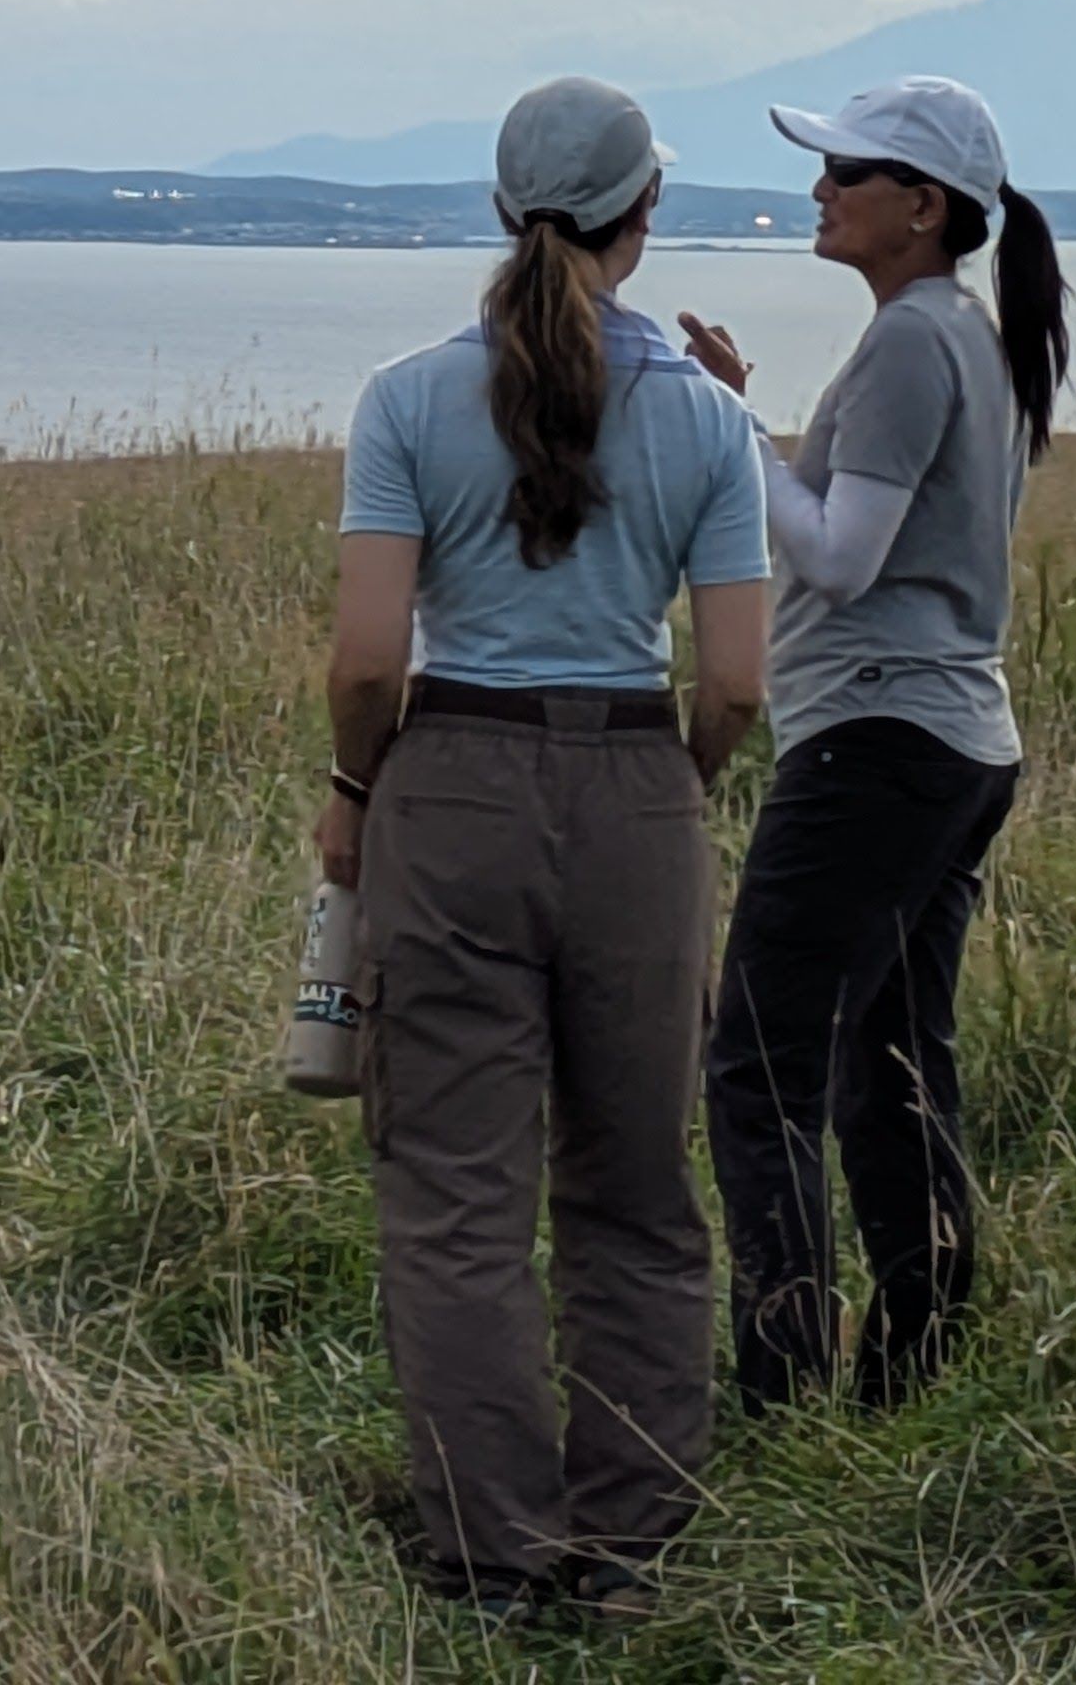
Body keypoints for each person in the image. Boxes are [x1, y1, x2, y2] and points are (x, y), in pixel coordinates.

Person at [316, 78, 768, 1620]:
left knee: (455, 1196)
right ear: (646, 218)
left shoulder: (403, 399)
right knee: (638, 1189)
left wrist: (354, 791)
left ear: (507, 213)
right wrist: (674, 778)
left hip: (447, 790)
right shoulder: (708, 418)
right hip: (635, 795)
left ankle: (488, 1555)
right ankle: (626, 1547)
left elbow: (370, 657)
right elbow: (735, 685)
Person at [671, 74, 1067, 1408]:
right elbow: (872, 529)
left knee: (761, 1060)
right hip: (956, 742)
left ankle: (780, 1378)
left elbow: (840, 557)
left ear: (924, 207)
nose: (823, 189)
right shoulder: (967, 334)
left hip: (879, 744)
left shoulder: (909, 341)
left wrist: (731, 429)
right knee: (892, 1057)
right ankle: (915, 1363)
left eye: (849, 171)